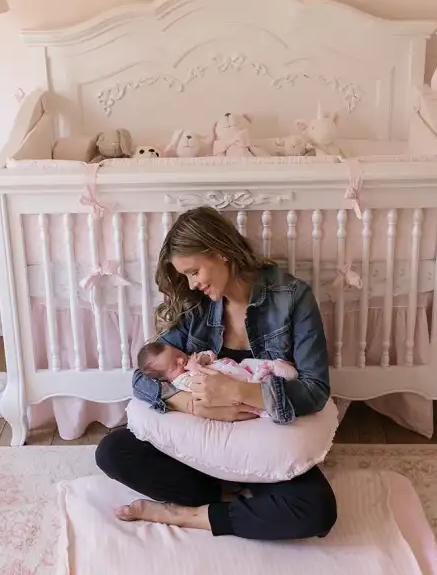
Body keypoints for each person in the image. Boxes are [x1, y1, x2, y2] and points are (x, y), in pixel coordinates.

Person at [94, 206, 337, 541]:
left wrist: (237, 392)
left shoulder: (293, 298)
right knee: (112, 452)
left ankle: (189, 514)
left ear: (221, 252)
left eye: (194, 271)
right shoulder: (196, 306)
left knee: (317, 510)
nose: (192, 284)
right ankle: (225, 493)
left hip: (260, 448)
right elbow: (143, 377)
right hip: (204, 445)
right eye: (186, 277)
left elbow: (315, 389)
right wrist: (192, 405)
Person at [135, 341, 298, 416]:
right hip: (236, 382)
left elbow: (211, 354)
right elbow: (199, 387)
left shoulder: (191, 359)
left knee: (248, 362)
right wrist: (196, 369)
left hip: (238, 368)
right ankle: (269, 376)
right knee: (255, 381)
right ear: (165, 379)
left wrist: (205, 358)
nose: (181, 360)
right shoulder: (180, 381)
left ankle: (275, 366)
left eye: (178, 354)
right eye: (174, 365)